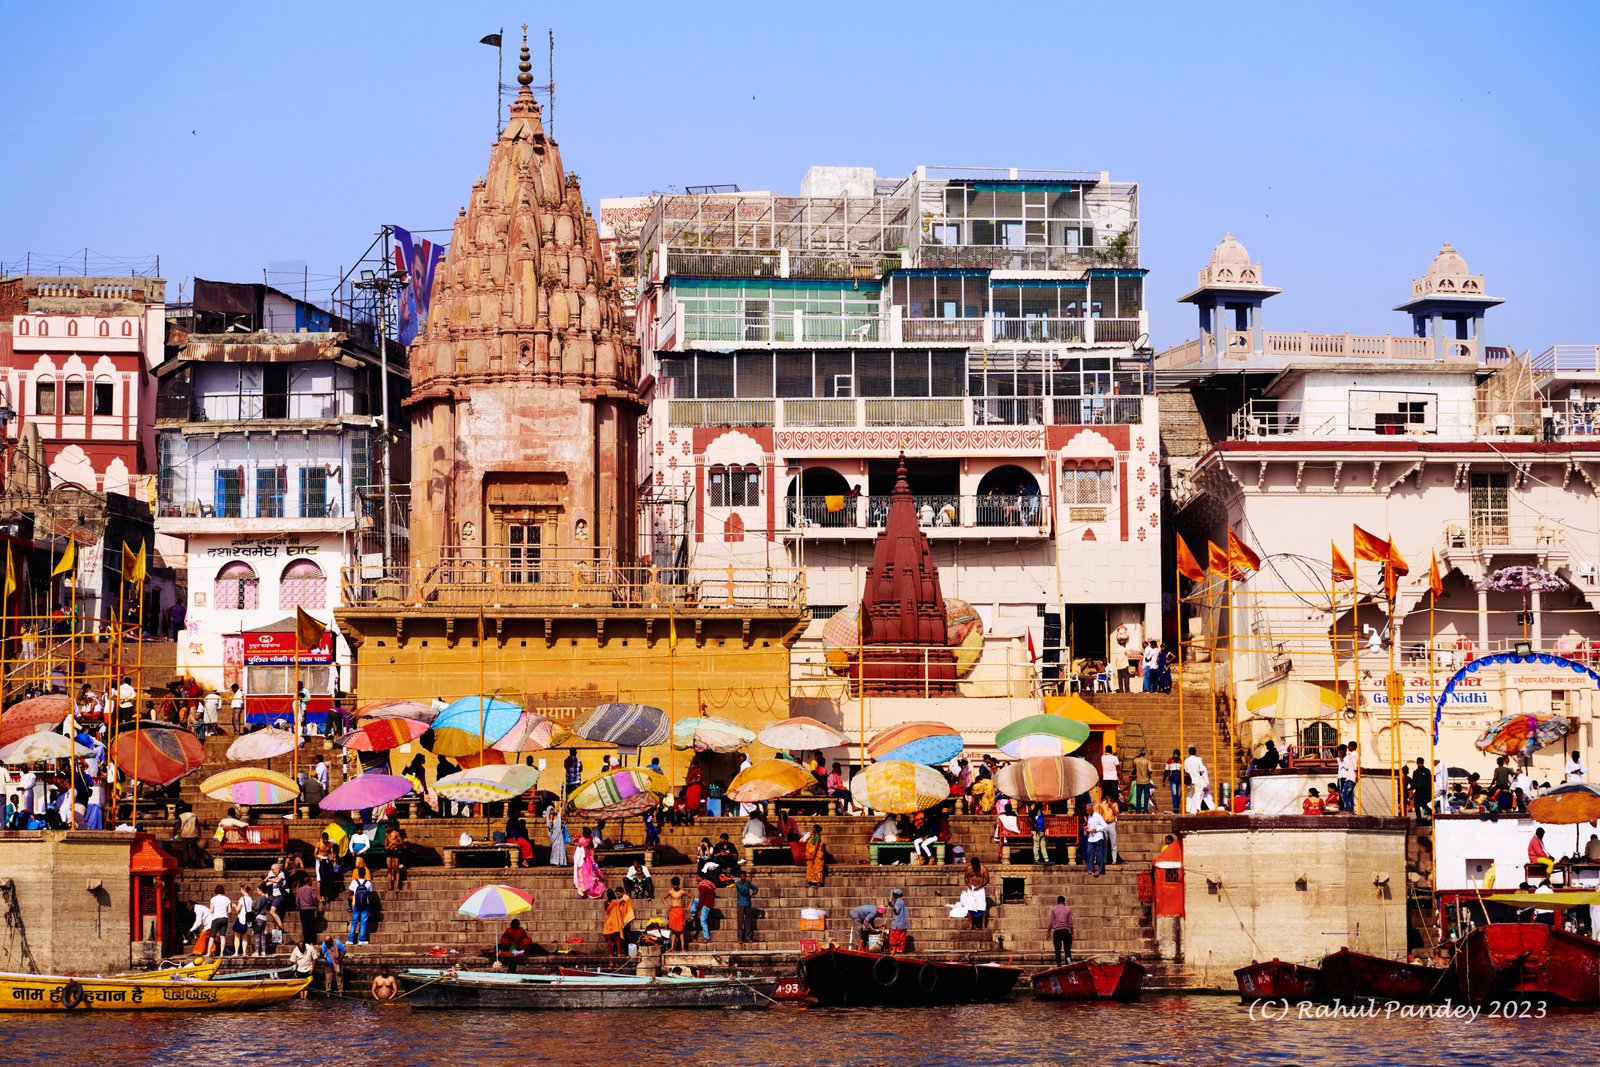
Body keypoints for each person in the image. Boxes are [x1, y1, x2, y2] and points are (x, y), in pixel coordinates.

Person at [572, 828, 606, 899]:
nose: (587, 836)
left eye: (588, 835)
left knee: (589, 875)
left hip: (587, 858)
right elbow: (571, 842)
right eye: (586, 834)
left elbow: (591, 847)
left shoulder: (590, 838)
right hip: (581, 859)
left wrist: (592, 856)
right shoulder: (578, 836)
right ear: (583, 833)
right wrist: (577, 843)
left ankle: (589, 890)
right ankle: (581, 892)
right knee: (581, 875)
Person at [602, 888, 634, 957]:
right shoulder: (616, 902)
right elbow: (618, 910)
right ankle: (619, 953)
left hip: (608, 922)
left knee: (609, 939)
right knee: (617, 939)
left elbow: (606, 911)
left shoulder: (605, 902)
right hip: (615, 922)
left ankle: (610, 954)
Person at [348, 866, 375, 945]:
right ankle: (361, 940)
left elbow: (350, 892)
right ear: (365, 874)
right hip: (365, 904)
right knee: (363, 921)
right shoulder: (368, 883)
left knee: (354, 921)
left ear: (358, 874)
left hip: (356, 904)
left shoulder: (354, 882)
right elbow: (370, 893)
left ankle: (350, 940)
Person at [961, 859, 990, 930]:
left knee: (982, 907)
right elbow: (966, 877)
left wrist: (980, 886)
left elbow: (987, 879)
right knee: (970, 907)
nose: (974, 867)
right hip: (971, 889)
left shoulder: (984, 869)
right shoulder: (968, 868)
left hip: (980, 888)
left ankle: (983, 926)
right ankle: (970, 925)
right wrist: (968, 884)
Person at [1047, 895, 1075, 965]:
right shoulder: (1068, 910)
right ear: (1064, 902)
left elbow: (1050, 922)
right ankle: (1068, 963)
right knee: (1067, 950)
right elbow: (1070, 923)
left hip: (1057, 932)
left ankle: (1059, 965)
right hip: (1066, 931)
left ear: (1057, 901)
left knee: (1057, 950)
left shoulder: (1054, 909)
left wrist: (1048, 932)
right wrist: (1072, 933)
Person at [735, 871, 759, 944]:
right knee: (740, 921)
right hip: (740, 904)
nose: (742, 878)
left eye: (744, 876)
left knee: (748, 922)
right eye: (741, 877)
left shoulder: (748, 883)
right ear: (740, 877)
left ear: (745, 876)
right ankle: (740, 938)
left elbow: (756, 889)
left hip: (748, 904)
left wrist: (752, 893)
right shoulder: (738, 883)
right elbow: (743, 890)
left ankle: (748, 938)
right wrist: (748, 883)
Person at [1183, 748, 1210, 813]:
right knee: (1198, 794)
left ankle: (1188, 809)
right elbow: (1201, 770)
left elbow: (1185, 770)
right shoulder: (1198, 760)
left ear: (1189, 752)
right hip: (1197, 779)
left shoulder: (1186, 760)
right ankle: (1198, 808)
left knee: (1189, 794)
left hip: (1190, 780)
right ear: (1195, 752)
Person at [665, 876, 689, 952]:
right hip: (673, 911)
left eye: (676, 885)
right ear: (672, 884)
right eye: (674, 885)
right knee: (673, 930)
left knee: (681, 930)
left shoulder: (682, 891)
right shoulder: (670, 892)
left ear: (678, 884)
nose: (675, 886)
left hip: (679, 911)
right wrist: (668, 906)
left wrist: (688, 907)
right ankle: (672, 947)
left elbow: (692, 897)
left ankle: (682, 947)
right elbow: (662, 898)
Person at [1084, 805, 1109, 877]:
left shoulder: (1098, 816)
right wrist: (1087, 830)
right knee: (1089, 853)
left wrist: (1096, 830)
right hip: (1091, 838)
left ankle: (1100, 870)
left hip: (1098, 837)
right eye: (1086, 810)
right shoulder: (1089, 817)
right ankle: (1090, 869)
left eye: (1088, 810)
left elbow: (1105, 826)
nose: (1087, 812)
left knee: (1099, 854)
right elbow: (1089, 826)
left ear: (1091, 809)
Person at [294, 875, 319, 940]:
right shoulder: (311, 889)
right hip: (310, 909)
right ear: (308, 882)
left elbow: (297, 899)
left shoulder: (299, 890)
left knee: (304, 925)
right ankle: (312, 940)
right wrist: (316, 905)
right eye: (311, 881)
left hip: (302, 909)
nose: (312, 883)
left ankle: (306, 939)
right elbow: (314, 898)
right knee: (311, 925)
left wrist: (298, 906)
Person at [1411, 758, 1433, 823]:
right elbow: (1414, 782)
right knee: (1416, 805)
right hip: (1417, 791)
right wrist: (1411, 789)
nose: (1420, 764)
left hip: (1425, 791)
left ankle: (1431, 812)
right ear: (1417, 763)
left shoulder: (1427, 771)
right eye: (1419, 762)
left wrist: (1429, 793)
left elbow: (1430, 783)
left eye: (1421, 762)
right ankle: (1419, 819)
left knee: (1423, 804)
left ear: (1423, 763)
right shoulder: (1415, 772)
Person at [695, 873, 716, 943]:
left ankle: (707, 938)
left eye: (697, 877)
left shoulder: (703, 886)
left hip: (706, 904)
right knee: (694, 900)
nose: (696, 878)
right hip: (707, 902)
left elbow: (702, 898)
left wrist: (698, 909)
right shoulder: (707, 883)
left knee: (703, 920)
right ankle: (693, 914)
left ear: (701, 877)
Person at [545, 802, 567, 866]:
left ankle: (562, 862)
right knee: (555, 848)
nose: (552, 811)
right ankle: (555, 861)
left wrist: (563, 824)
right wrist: (551, 819)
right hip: (553, 835)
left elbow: (565, 820)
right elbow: (550, 827)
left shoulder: (558, 815)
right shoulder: (548, 818)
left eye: (552, 809)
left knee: (561, 847)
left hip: (559, 834)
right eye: (550, 810)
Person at [1339, 741, 1359, 813]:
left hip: (1351, 777)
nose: (1348, 747)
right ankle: (1350, 809)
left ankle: (1348, 809)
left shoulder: (1353, 755)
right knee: (1349, 794)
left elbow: (1355, 765)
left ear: (1351, 746)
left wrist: (1356, 774)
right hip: (1351, 777)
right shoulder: (1355, 754)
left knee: (1344, 794)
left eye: (1348, 746)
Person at [887, 887, 909, 954]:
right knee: (901, 937)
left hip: (898, 923)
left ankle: (894, 949)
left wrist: (891, 906)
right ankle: (900, 949)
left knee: (894, 936)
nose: (893, 896)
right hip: (903, 923)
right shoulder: (901, 901)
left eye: (893, 894)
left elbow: (896, 911)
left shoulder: (898, 902)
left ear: (896, 895)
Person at [384, 825, 405, 891]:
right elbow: (385, 843)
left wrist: (395, 844)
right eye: (386, 828)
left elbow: (401, 842)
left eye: (387, 827)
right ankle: (389, 886)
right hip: (389, 852)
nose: (386, 829)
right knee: (389, 869)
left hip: (395, 851)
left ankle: (396, 886)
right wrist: (386, 847)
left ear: (390, 827)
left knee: (396, 869)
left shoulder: (395, 833)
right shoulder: (386, 834)